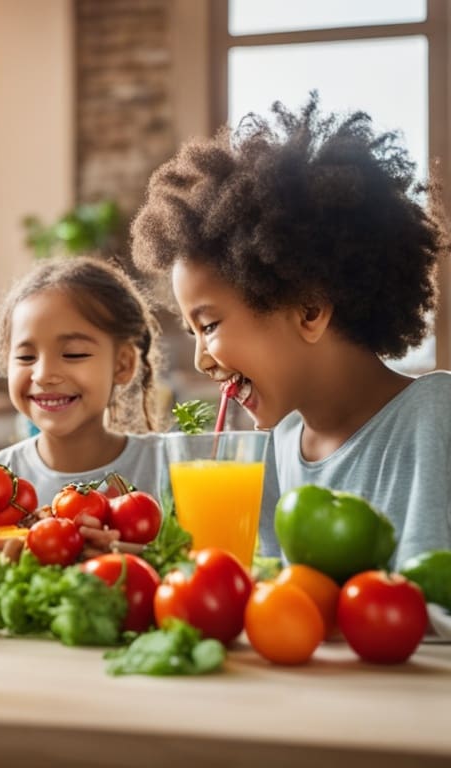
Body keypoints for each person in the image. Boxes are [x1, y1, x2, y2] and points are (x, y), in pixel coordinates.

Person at [130, 93, 451, 567]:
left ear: (309, 310)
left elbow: (435, 613)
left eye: (210, 325)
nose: (201, 358)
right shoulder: (277, 446)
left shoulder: (434, 418)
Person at [0, 256, 167, 549]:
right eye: (26, 357)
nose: (43, 375)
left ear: (122, 364)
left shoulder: (169, 468)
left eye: (74, 354)